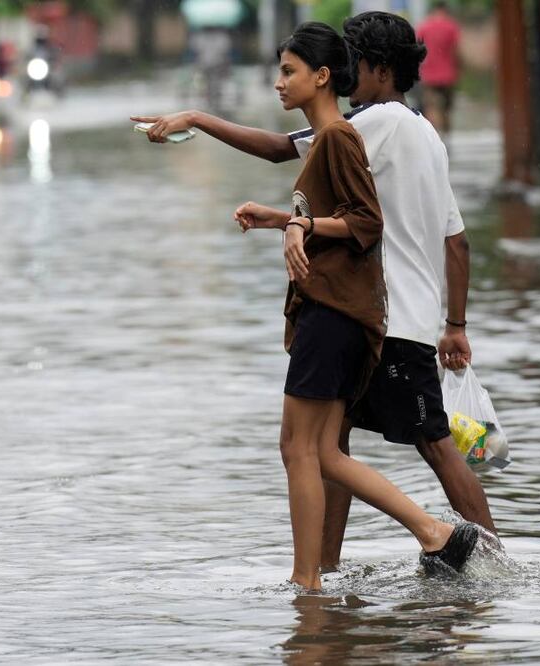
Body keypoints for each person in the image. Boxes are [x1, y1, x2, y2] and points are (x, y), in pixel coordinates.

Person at [131, 10, 496, 575]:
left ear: (376, 69)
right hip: (407, 315)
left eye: (353, 62)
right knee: (331, 445)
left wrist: (201, 121)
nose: (347, 72)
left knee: (429, 442)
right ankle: (323, 574)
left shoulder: (374, 124)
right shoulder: (426, 133)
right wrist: (456, 323)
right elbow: (458, 241)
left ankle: (481, 555)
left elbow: (283, 148)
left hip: (384, 315)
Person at [416, 1, 461, 135]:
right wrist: (458, 68)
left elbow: (418, 51)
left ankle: (434, 135)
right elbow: (456, 51)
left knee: (431, 106)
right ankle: (447, 136)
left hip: (429, 75)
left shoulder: (424, 27)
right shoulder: (451, 27)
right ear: (445, 11)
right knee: (447, 108)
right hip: (448, 75)